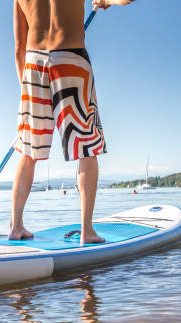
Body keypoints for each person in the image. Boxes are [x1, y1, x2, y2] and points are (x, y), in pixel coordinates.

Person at [10, 0, 135, 244]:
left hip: (33, 65)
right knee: (86, 148)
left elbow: (18, 47)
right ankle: (87, 232)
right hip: (70, 57)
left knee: (28, 152)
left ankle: (16, 226)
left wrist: (26, 86)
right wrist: (105, 1)